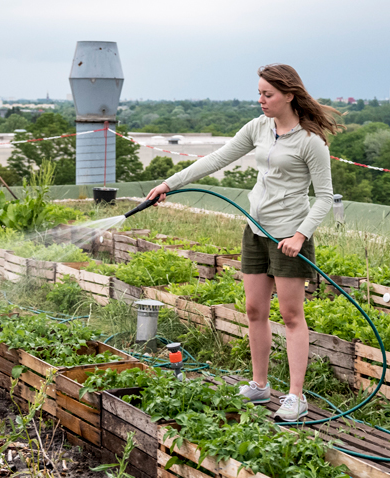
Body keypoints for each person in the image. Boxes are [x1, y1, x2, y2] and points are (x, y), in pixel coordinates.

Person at [145, 64, 340, 421]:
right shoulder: (258, 128)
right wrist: (169, 184)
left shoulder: (312, 142)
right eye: (260, 93)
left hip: (289, 237)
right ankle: (260, 384)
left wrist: (300, 235)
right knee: (254, 311)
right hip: (255, 231)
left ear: (289, 95)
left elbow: (325, 197)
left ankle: (296, 397)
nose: (262, 100)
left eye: (268, 94)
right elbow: (217, 158)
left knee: (291, 315)